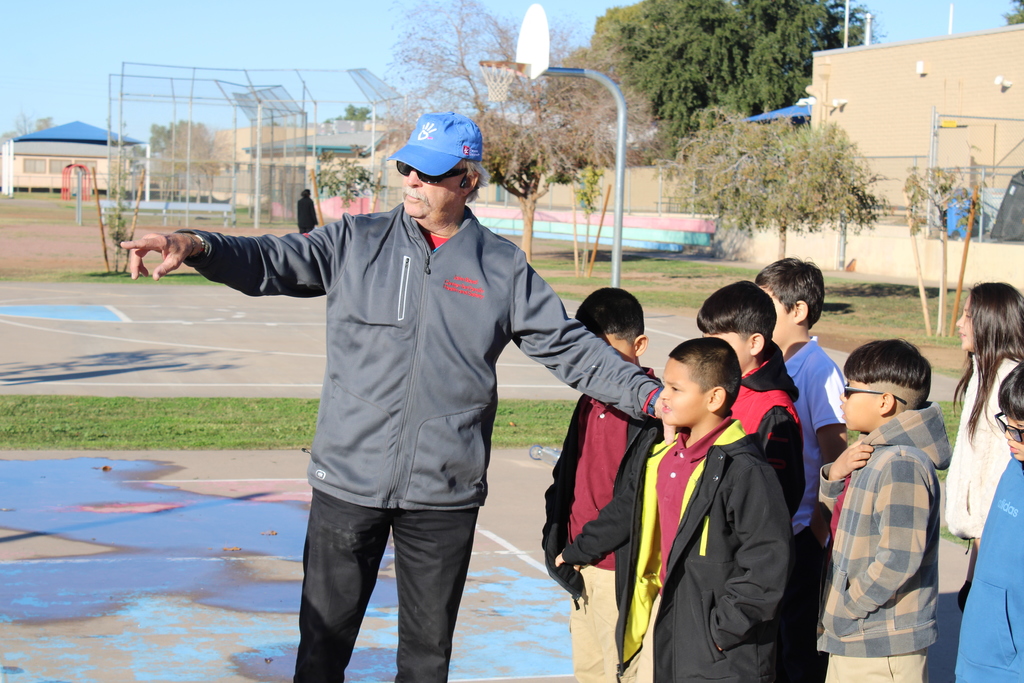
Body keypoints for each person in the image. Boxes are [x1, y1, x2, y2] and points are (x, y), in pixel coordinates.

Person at [119, 111, 662, 683]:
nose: (411, 182)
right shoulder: (355, 241)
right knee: (322, 651)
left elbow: (571, 349)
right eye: (406, 168)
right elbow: (269, 261)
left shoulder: (501, 267)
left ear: (466, 180)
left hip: (443, 496)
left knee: (427, 660)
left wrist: (651, 399)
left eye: (428, 174)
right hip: (347, 485)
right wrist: (196, 243)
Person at [556, 337, 794, 683]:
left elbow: (768, 566)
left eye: (675, 388)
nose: (662, 396)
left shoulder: (746, 472)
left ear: (714, 398)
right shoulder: (666, 457)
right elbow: (629, 511)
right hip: (666, 622)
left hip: (720, 650)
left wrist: (721, 631)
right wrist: (578, 551)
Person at [818, 339, 950, 683]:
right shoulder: (874, 452)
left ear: (885, 402)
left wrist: (847, 611)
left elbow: (899, 558)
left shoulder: (902, 463)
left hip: (880, 645)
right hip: (859, 638)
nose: (842, 399)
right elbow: (845, 525)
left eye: (850, 390)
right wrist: (835, 474)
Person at [542, 287, 652, 683]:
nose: (596, 364)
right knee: (588, 673)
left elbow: (636, 500)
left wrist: (582, 549)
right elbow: (566, 475)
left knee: (622, 672)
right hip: (578, 564)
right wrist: (553, 539)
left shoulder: (652, 412)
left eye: (605, 351)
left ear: (639, 344)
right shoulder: (590, 399)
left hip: (616, 571)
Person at [756, 258, 846, 683]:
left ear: (798, 311)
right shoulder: (772, 365)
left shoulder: (820, 370)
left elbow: (835, 453)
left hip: (802, 533)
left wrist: (817, 529)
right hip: (772, 529)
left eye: (766, 303)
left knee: (799, 650)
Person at [944, 282, 1024, 610]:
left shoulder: (1008, 383)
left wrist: (978, 575)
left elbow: (995, 485)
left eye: (968, 316)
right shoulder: (983, 373)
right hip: (983, 550)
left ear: (992, 322)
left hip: (999, 552)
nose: (960, 324)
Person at [697, 280, 805, 517]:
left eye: (719, 343)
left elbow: (778, 505)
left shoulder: (775, 414)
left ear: (755, 343)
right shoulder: (716, 386)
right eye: (705, 341)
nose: (708, 353)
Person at [956, 363, 1024, 682]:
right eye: (1007, 424)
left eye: (1021, 431)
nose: (1011, 438)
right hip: (980, 651)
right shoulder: (1015, 464)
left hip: (1011, 666)